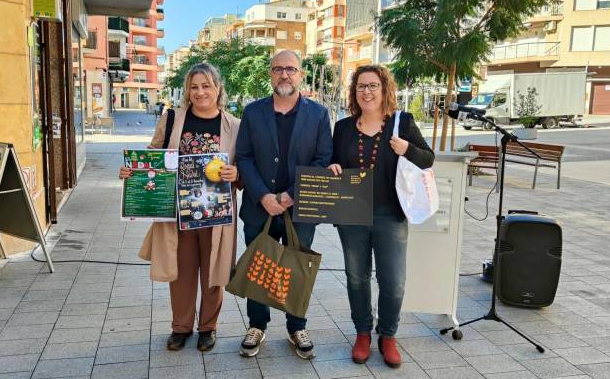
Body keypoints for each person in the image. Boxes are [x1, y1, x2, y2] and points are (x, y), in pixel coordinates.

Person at [119, 63, 241, 352]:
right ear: (187, 90)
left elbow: (244, 165)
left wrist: (236, 173)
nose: (201, 92)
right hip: (178, 212)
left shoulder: (234, 126)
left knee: (213, 272)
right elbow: (152, 156)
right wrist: (132, 171)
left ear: (218, 88)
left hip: (216, 213)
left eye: (207, 86)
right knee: (182, 271)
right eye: (194, 87)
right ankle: (181, 327)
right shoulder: (173, 119)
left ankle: (208, 327)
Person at [328, 64, 434, 368]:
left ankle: (387, 335)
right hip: (351, 214)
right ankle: (362, 332)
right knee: (356, 278)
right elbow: (335, 162)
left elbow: (428, 159)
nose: (367, 91)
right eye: (361, 86)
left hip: (391, 214)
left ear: (384, 89)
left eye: (373, 85)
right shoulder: (344, 127)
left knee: (394, 281)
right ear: (354, 92)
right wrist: (333, 168)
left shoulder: (402, 123)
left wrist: (406, 149)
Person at [235, 50, 333, 359]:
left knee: (297, 268)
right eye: (278, 69)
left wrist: (291, 194)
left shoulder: (318, 114)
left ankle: (296, 326)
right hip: (258, 207)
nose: (284, 74)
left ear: (301, 74)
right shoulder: (253, 112)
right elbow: (245, 157)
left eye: (290, 69)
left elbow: (322, 159)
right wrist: (263, 196)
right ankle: (257, 325)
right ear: (270, 74)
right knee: (258, 266)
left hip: (301, 209)